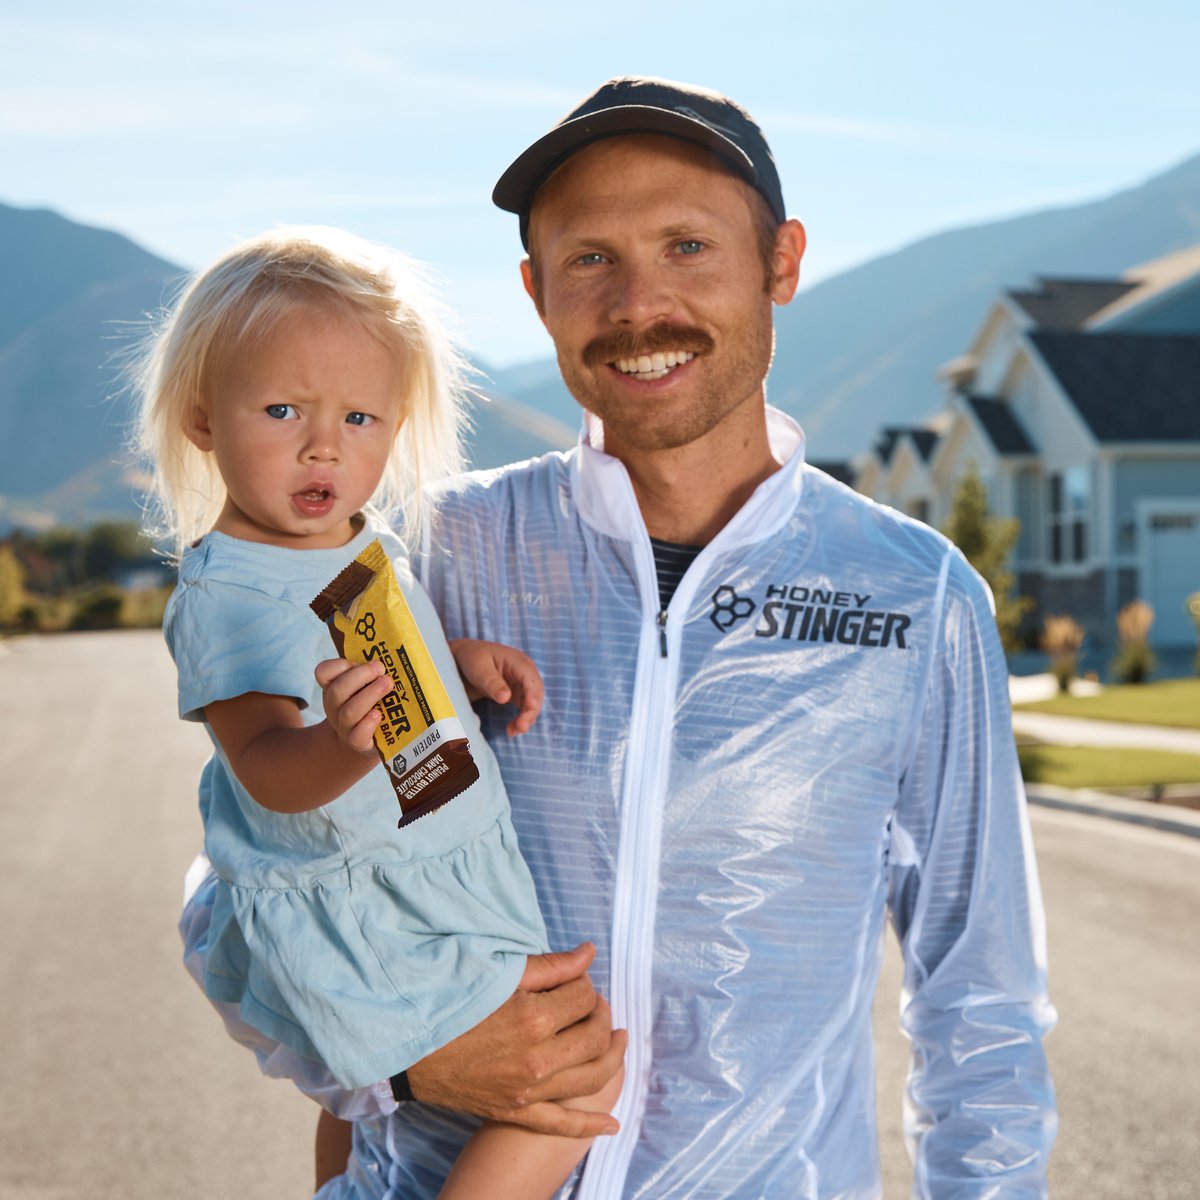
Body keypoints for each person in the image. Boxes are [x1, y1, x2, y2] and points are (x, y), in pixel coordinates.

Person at [184, 77, 1058, 1199]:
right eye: (590, 258)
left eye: (688, 245)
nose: (640, 304)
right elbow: (235, 890)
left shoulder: (913, 598)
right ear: (536, 292)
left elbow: (980, 1002)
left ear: (780, 262)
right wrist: (400, 1066)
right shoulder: (426, 550)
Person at [137, 224, 621, 1200]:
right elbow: (267, 771)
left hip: (431, 853)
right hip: (362, 898)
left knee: (367, 1103)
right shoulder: (228, 595)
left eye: (362, 419)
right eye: (282, 409)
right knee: (568, 1086)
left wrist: (457, 661)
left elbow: (389, 637)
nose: (325, 445)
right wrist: (338, 742)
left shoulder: (359, 540)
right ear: (202, 418)